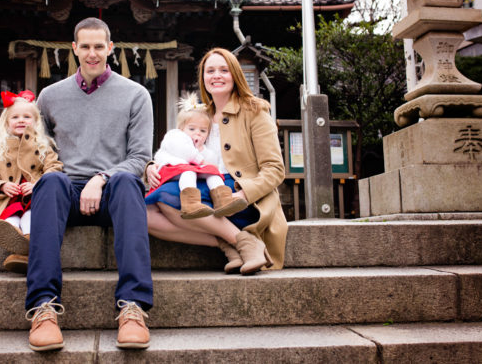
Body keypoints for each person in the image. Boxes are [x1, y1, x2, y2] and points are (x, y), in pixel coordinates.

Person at [24, 17, 154, 352]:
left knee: (127, 181)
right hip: (65, 192)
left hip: (113, 193)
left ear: (111, 48)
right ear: (74, 49)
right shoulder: (50, 96)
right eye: (86, 46)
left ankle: (132, 308)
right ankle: (44, 308)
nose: (92, 53)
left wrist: (101, 177)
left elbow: (140, 157)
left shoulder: (136, 95)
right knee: (50, 181)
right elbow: (40, 151)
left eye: (99, 46)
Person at [145, 47, 287, 276]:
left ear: (235, 75)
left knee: (168, 198)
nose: (216, 75)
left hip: (241, 198)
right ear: (203, 78)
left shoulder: (255, 111)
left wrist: (242, 195)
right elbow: (177, 149)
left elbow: (275, 169)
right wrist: (153, 166)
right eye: (210, 71)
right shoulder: (200, 117)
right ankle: (235, 243)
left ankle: (242, 242)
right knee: (147, 213)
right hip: (203, 191)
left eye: (224, 70)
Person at [0, 90, 62, 269]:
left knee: (30, 219)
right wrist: (2, 186)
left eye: (27, 116)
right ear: (7, 123)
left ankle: (21, 252)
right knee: (9, 220)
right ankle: (15, 239)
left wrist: (38, 184)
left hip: (33, 197)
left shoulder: (43, 146)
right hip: (11, 198)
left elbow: (54, 168)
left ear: (36, 122)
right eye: (15, 117)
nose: (21, 120)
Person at [147, 92, 247, 219]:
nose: (197, 134)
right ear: (182, 128)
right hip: (171, 168)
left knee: (212, 172)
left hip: (189, 169)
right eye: (192, 129)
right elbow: (183, 151)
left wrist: (202, 153)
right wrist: (200, 159)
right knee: (189, 173)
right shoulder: (175, 135)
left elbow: (210, 160)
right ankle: (190, 203)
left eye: (203, 131)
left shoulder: (200, 148)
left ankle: (223, 199)